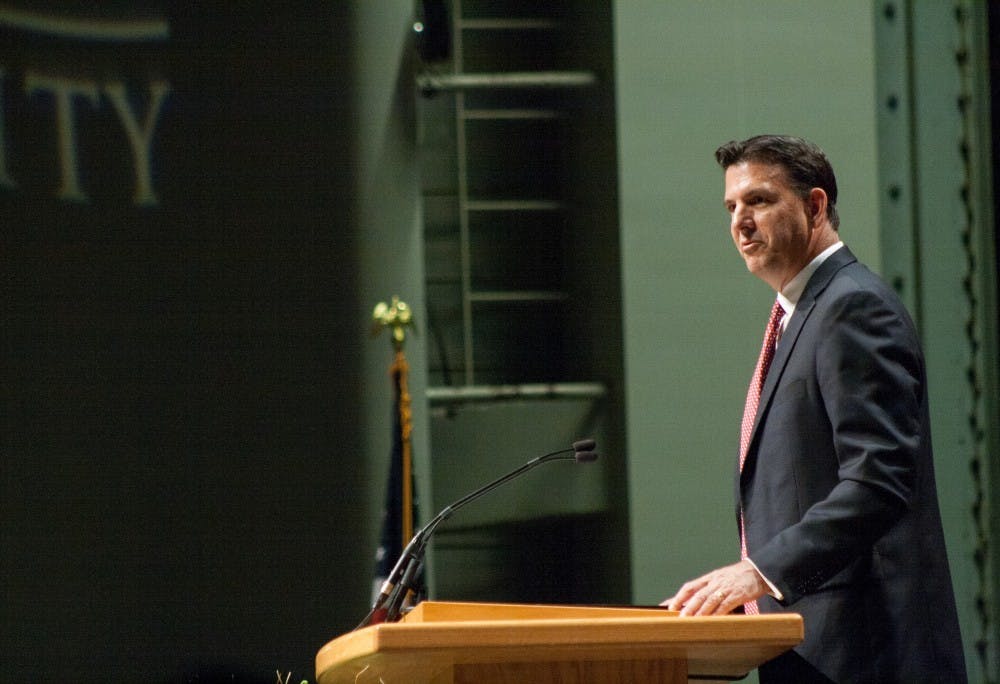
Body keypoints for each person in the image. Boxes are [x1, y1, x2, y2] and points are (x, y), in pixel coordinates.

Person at [664, 135, 967, 683]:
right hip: (815, 649)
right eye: (731, 207)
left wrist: (761, 572)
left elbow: (877, 481)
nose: (741, 221)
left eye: (758, 200)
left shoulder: (852, 307)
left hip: (869, 654)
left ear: (816, 205)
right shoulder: (803, 314)